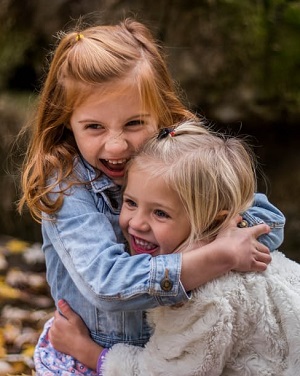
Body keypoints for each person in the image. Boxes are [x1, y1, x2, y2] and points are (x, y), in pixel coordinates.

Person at [17, 17, 284, 375]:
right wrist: (213, 257)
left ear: (162, 114)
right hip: (91, 355)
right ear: (67, 121)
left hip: (174, 352)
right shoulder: (67, 185)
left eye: (134, 124)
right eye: (94, 127)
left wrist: (215, 235)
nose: (116, 145)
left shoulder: (179, 160)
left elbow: (269, 224)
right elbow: (108, 284)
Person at [50, 120, 300, 375]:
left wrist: (87, 351)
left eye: (160, 213)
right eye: (131, 202)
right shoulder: (235, 248)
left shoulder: (206, 297)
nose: (136, 223)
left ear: (212, 220)